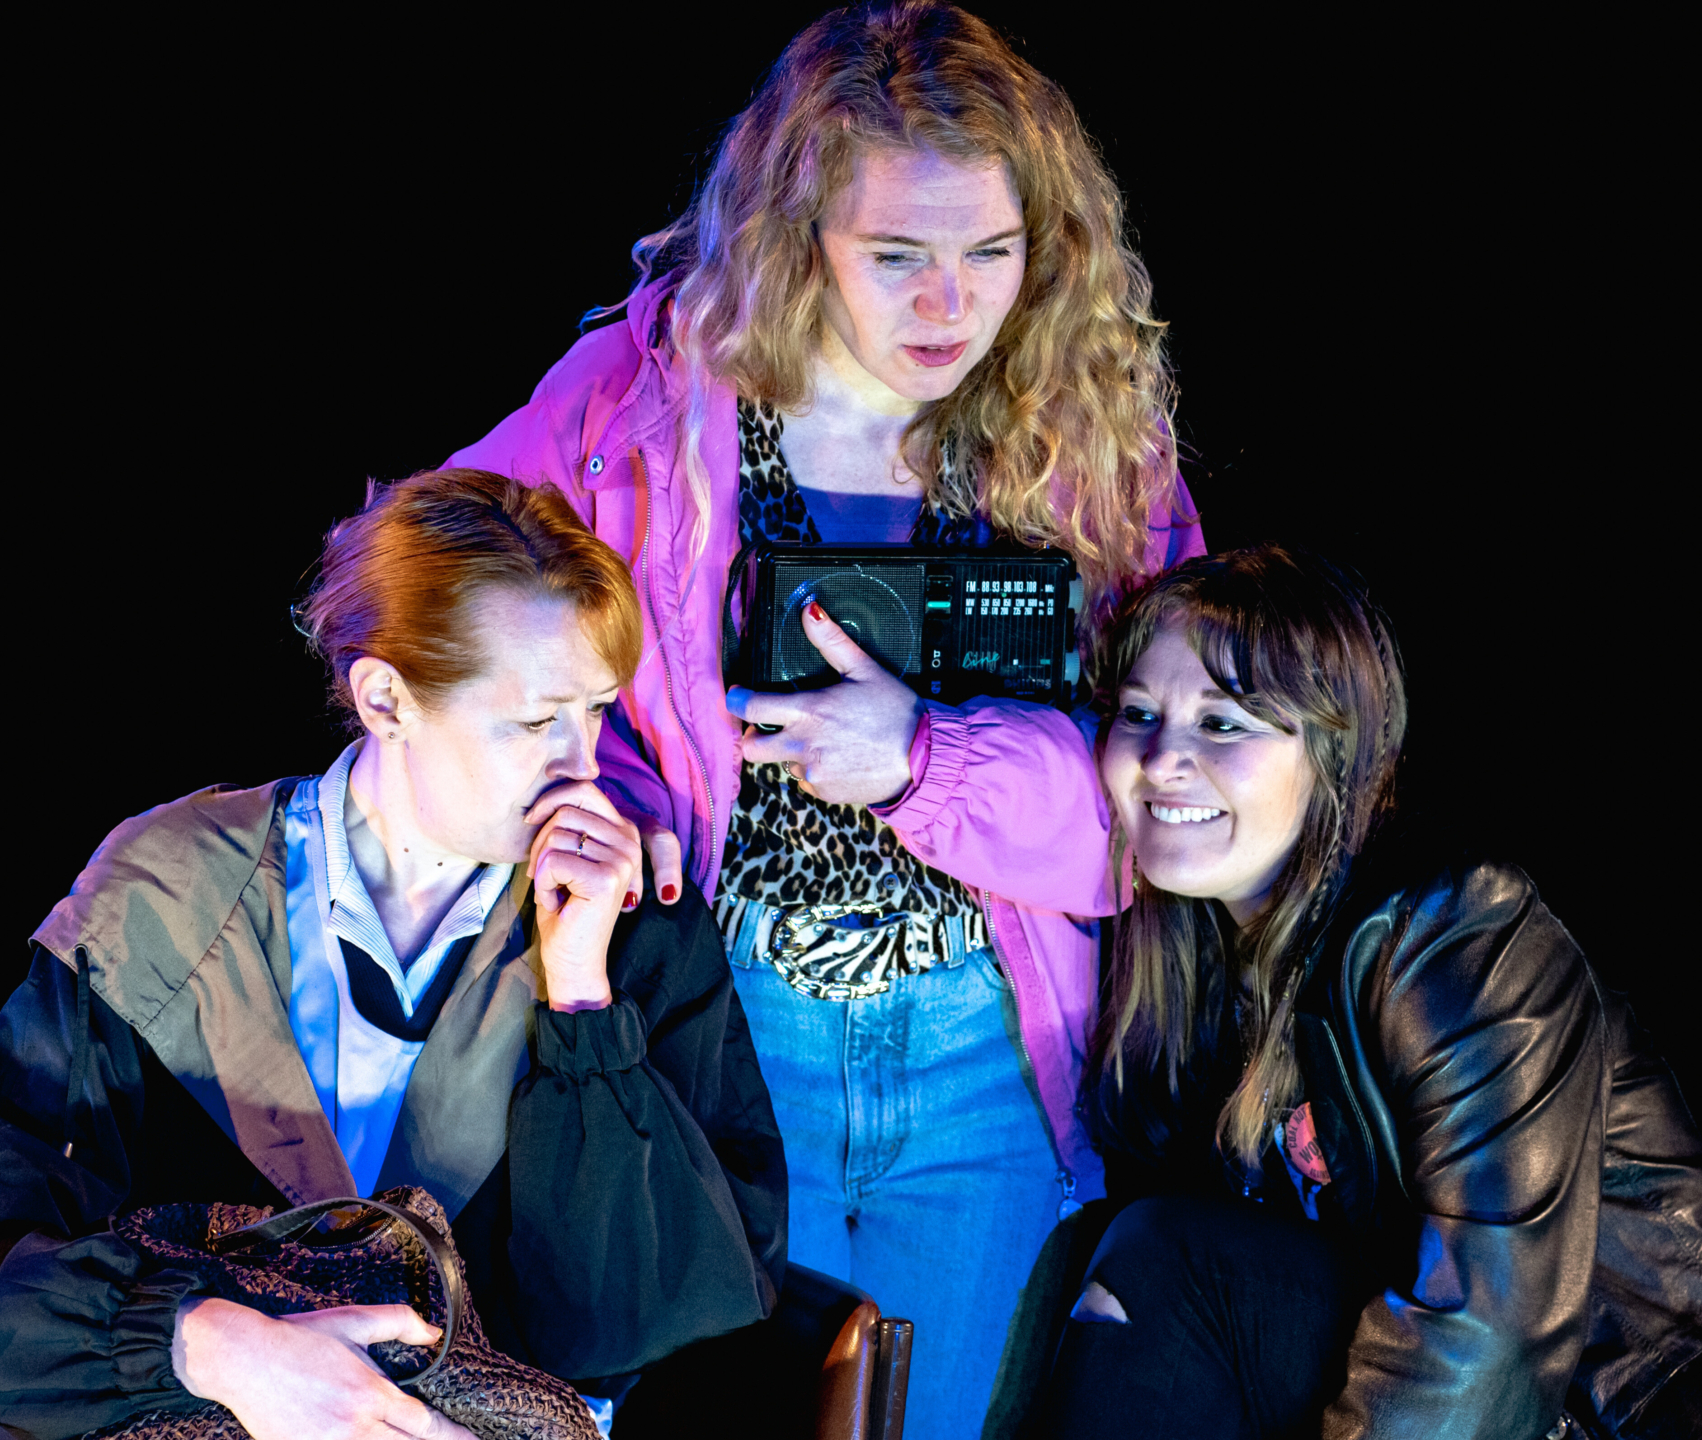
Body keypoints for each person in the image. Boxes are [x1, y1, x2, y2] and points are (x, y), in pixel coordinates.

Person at [447, 5, 1199, 1434]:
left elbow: (1170, 810)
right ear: (800, 234)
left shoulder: (1090, 435)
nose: (948, 308)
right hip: (736, 1034)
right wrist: (592, 779)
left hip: (988, 1054)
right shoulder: (647, 405)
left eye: (992, 253)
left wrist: (919, 763)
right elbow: (419, 603)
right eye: (897, 256)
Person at [0, 469, 786, 1440]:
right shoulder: (169, 898)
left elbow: (632, 1330)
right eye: (533, 723)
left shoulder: (632, 921)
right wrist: (212, 1341)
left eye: (597, 712)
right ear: (387, 700)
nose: (584, 765)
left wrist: (580, 1007)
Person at [1009, 547, 1702, 1440]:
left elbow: (1493, 1330)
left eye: (1224, 725)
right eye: (1138, 714)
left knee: (1172, 1261)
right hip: (1440, 1395)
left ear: (1332, 754)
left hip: (1611, 1417)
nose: (1162, 759)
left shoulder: (1456, 933)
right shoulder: (1199, 958)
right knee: (1129, 1252)